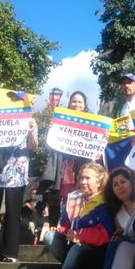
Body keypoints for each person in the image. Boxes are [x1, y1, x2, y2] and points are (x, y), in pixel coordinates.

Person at [27, 162, 114, 269]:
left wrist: (80, 236)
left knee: (78, 248)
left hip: (96, 255)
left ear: (99, 181)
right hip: (75, 249)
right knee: (50, 237)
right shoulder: (74, 199)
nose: (83, 182)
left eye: (88, 178)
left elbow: (106, 234)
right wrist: (62, 231)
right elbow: (66, 226)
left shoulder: (106, 202)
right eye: (81, 178)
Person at [0, 118, 38, 262]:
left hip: (17, 172)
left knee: (13, 213)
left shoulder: (29, 121)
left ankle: (10, 253)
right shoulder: (0, 119)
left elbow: (34, 147)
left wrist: (31, 131)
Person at [40, 91, 92, 228]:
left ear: (84, 105)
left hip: (80, 165)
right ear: (69, 103)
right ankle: (58, 225)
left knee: (81, 196)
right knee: (59, 196)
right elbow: (49, 143)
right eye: (74, 101)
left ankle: (78, 226)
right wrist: (52, 130)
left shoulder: (91, 122)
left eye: (80, 102)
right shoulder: (60, 119)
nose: (76, 104)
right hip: (63, 165)